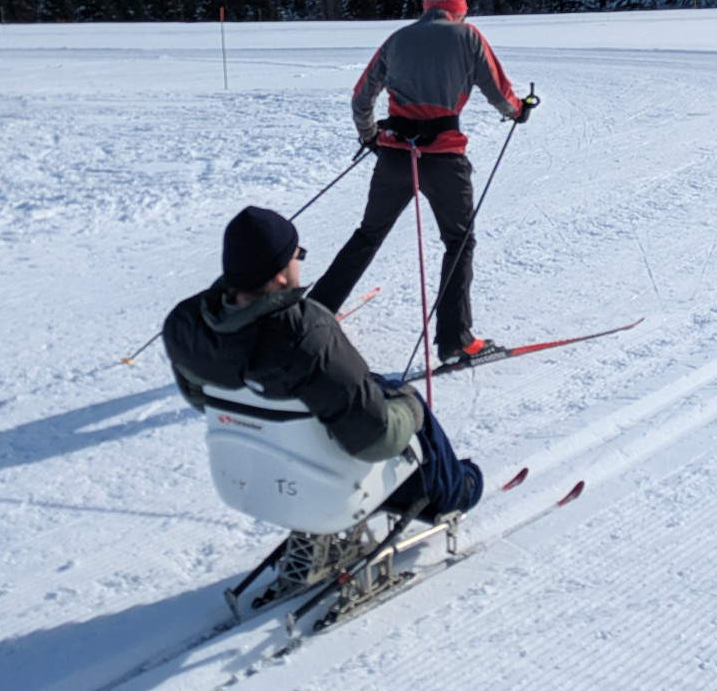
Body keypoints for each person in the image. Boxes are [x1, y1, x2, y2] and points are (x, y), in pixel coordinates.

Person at [163, 204, 482, 521]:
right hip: (328, 485)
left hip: (252, 476)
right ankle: (456, 490)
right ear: (280, 275)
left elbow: (203, 400)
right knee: (403, 399)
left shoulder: (186, 326)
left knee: (368, 390)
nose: (299, 263)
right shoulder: (307, 335)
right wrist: (411, 409)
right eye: (297, 255)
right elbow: (375, 439)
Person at [309, 0, 535, 366]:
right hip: (444, 158)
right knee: (458, 242)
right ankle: (454, 340)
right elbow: (499, 91)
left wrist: (369, 137)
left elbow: (362, 95)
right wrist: (518, 111)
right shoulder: (469, 38)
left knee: (369, 234)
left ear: (428, 6)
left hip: (395, 154)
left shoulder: (399, 38)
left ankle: (317, 309)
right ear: (460, 8)